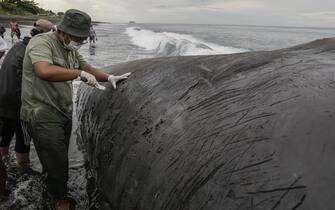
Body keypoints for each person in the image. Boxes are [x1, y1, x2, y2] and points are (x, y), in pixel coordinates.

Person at [21, 9, 131, 210]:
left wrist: (108, 77)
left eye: (83, 38)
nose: (80, 42)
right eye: (77, 38)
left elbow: (86, 67)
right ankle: (59, 200)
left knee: (55, 157)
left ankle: (51, 187)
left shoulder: (69, 48)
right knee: (58, 162)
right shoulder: (42, 43)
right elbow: (43, 70)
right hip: (41, 111)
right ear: (63, 32)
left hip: (62, 110)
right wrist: (77, 74)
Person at [0, 19, 55, 172]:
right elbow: (44, 76)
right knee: (23, 138)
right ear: (44, 36)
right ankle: (22, 171)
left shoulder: (18, 46)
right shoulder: (34, 51)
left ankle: (4, 165)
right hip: (18, 102)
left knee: (5, 134)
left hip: (2, 97)